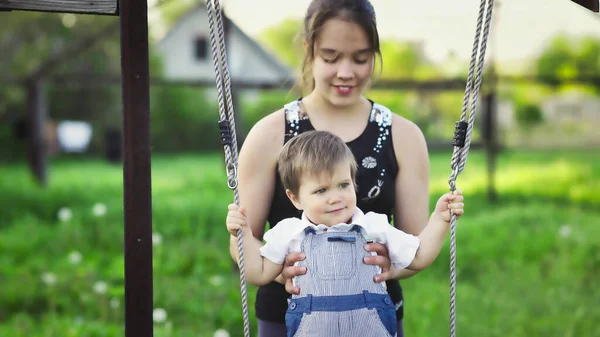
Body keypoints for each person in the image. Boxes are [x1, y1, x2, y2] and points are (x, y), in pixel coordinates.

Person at [228, 0, 437, 336]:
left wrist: (388, 268)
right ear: (309, 50)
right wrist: (279, 269)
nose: (346, 72)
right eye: (331, 57)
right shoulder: (270, 134)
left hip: (373, 318)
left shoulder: (404, 136)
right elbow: (243, 243)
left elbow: (414, 245)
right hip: (287, 317)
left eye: (360, 58)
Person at [226, 131, 464, 337]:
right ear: (295, 198)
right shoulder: (289, 232)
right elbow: (258, 272)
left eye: (343, 185)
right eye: (321, 190)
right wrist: (242, 234)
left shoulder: (374, 226)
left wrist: (439, 220)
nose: (335, 197)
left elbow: (420, 256)